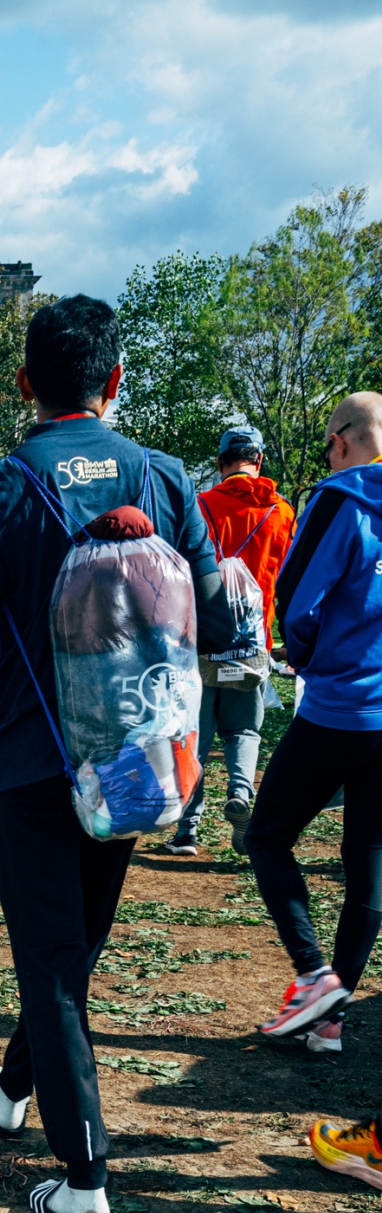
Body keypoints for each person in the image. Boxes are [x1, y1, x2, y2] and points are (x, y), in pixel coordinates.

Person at [0, 294, 232, 1213]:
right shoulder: (164, 477)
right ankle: (13, 1085)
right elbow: (215, 623)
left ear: (24, 385)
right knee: (72, 948)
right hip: (133, 758)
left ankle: (83, 1176)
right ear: (115, 381)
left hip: (27, 758)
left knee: (52, 961)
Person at [242, 390, 382, 1075]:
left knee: (266, 836)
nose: (328, 453)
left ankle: (314, 975)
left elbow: (292, 594)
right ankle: (330, 1024)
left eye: (329, 442)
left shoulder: (339, 497)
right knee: (366, 869)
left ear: (346, 439)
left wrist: (306, 656)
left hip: (340, 706)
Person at [166, 423, 297, 857]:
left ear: (221, 463)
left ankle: (187, 829)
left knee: (195, 732)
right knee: (243, 727)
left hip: (201, 638)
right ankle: (240, 793)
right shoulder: (281, 512)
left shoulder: (201, 505)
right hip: (252, 638)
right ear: (258, 462)